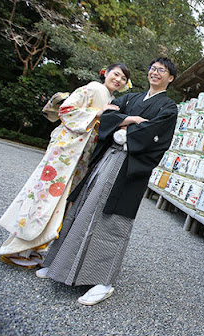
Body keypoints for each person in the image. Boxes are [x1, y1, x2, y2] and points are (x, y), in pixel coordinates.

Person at [36, 57, 178, 306]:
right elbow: (109, 114)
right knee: (83, 208)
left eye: (161, 70)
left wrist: (126, 134)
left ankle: (103, 281)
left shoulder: (168, 107)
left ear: (171, 78)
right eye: (152, 68)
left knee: (111, 221)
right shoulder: (131, 98)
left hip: (128, 164)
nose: (155, 73)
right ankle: (59, 264)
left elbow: (157, 135)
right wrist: (131, 121)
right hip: (106, 157)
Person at [0, 64, 131, 267]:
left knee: (60, 199)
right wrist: (97, 114)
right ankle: (15, 247)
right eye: (116, 74)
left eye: (123, 78)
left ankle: (35, 247)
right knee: (45, 193)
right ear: (106, 74)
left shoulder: (112, 100)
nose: (119, 80)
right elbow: (66, 109)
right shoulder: (94, 88)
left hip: (81, 153)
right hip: (67, 148)